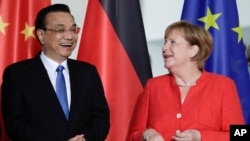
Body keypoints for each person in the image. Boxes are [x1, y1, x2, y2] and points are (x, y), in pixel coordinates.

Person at [1, 4, 110, 141]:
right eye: (61, 30)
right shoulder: (17, 74)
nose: (70, 36)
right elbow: (15, 124)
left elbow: (101, 119)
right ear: (41, 35)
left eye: (73, 29)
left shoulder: (88, 73)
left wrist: (86, 139)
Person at [127, 21, 245, 141]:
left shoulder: (223, 86)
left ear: (193, 51)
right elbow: (132, 136)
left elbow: (240, 134)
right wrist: (147, 134)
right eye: (165, 42)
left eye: (173, 42)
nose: (164, 48)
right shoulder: (153, 86)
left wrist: (201, 136)